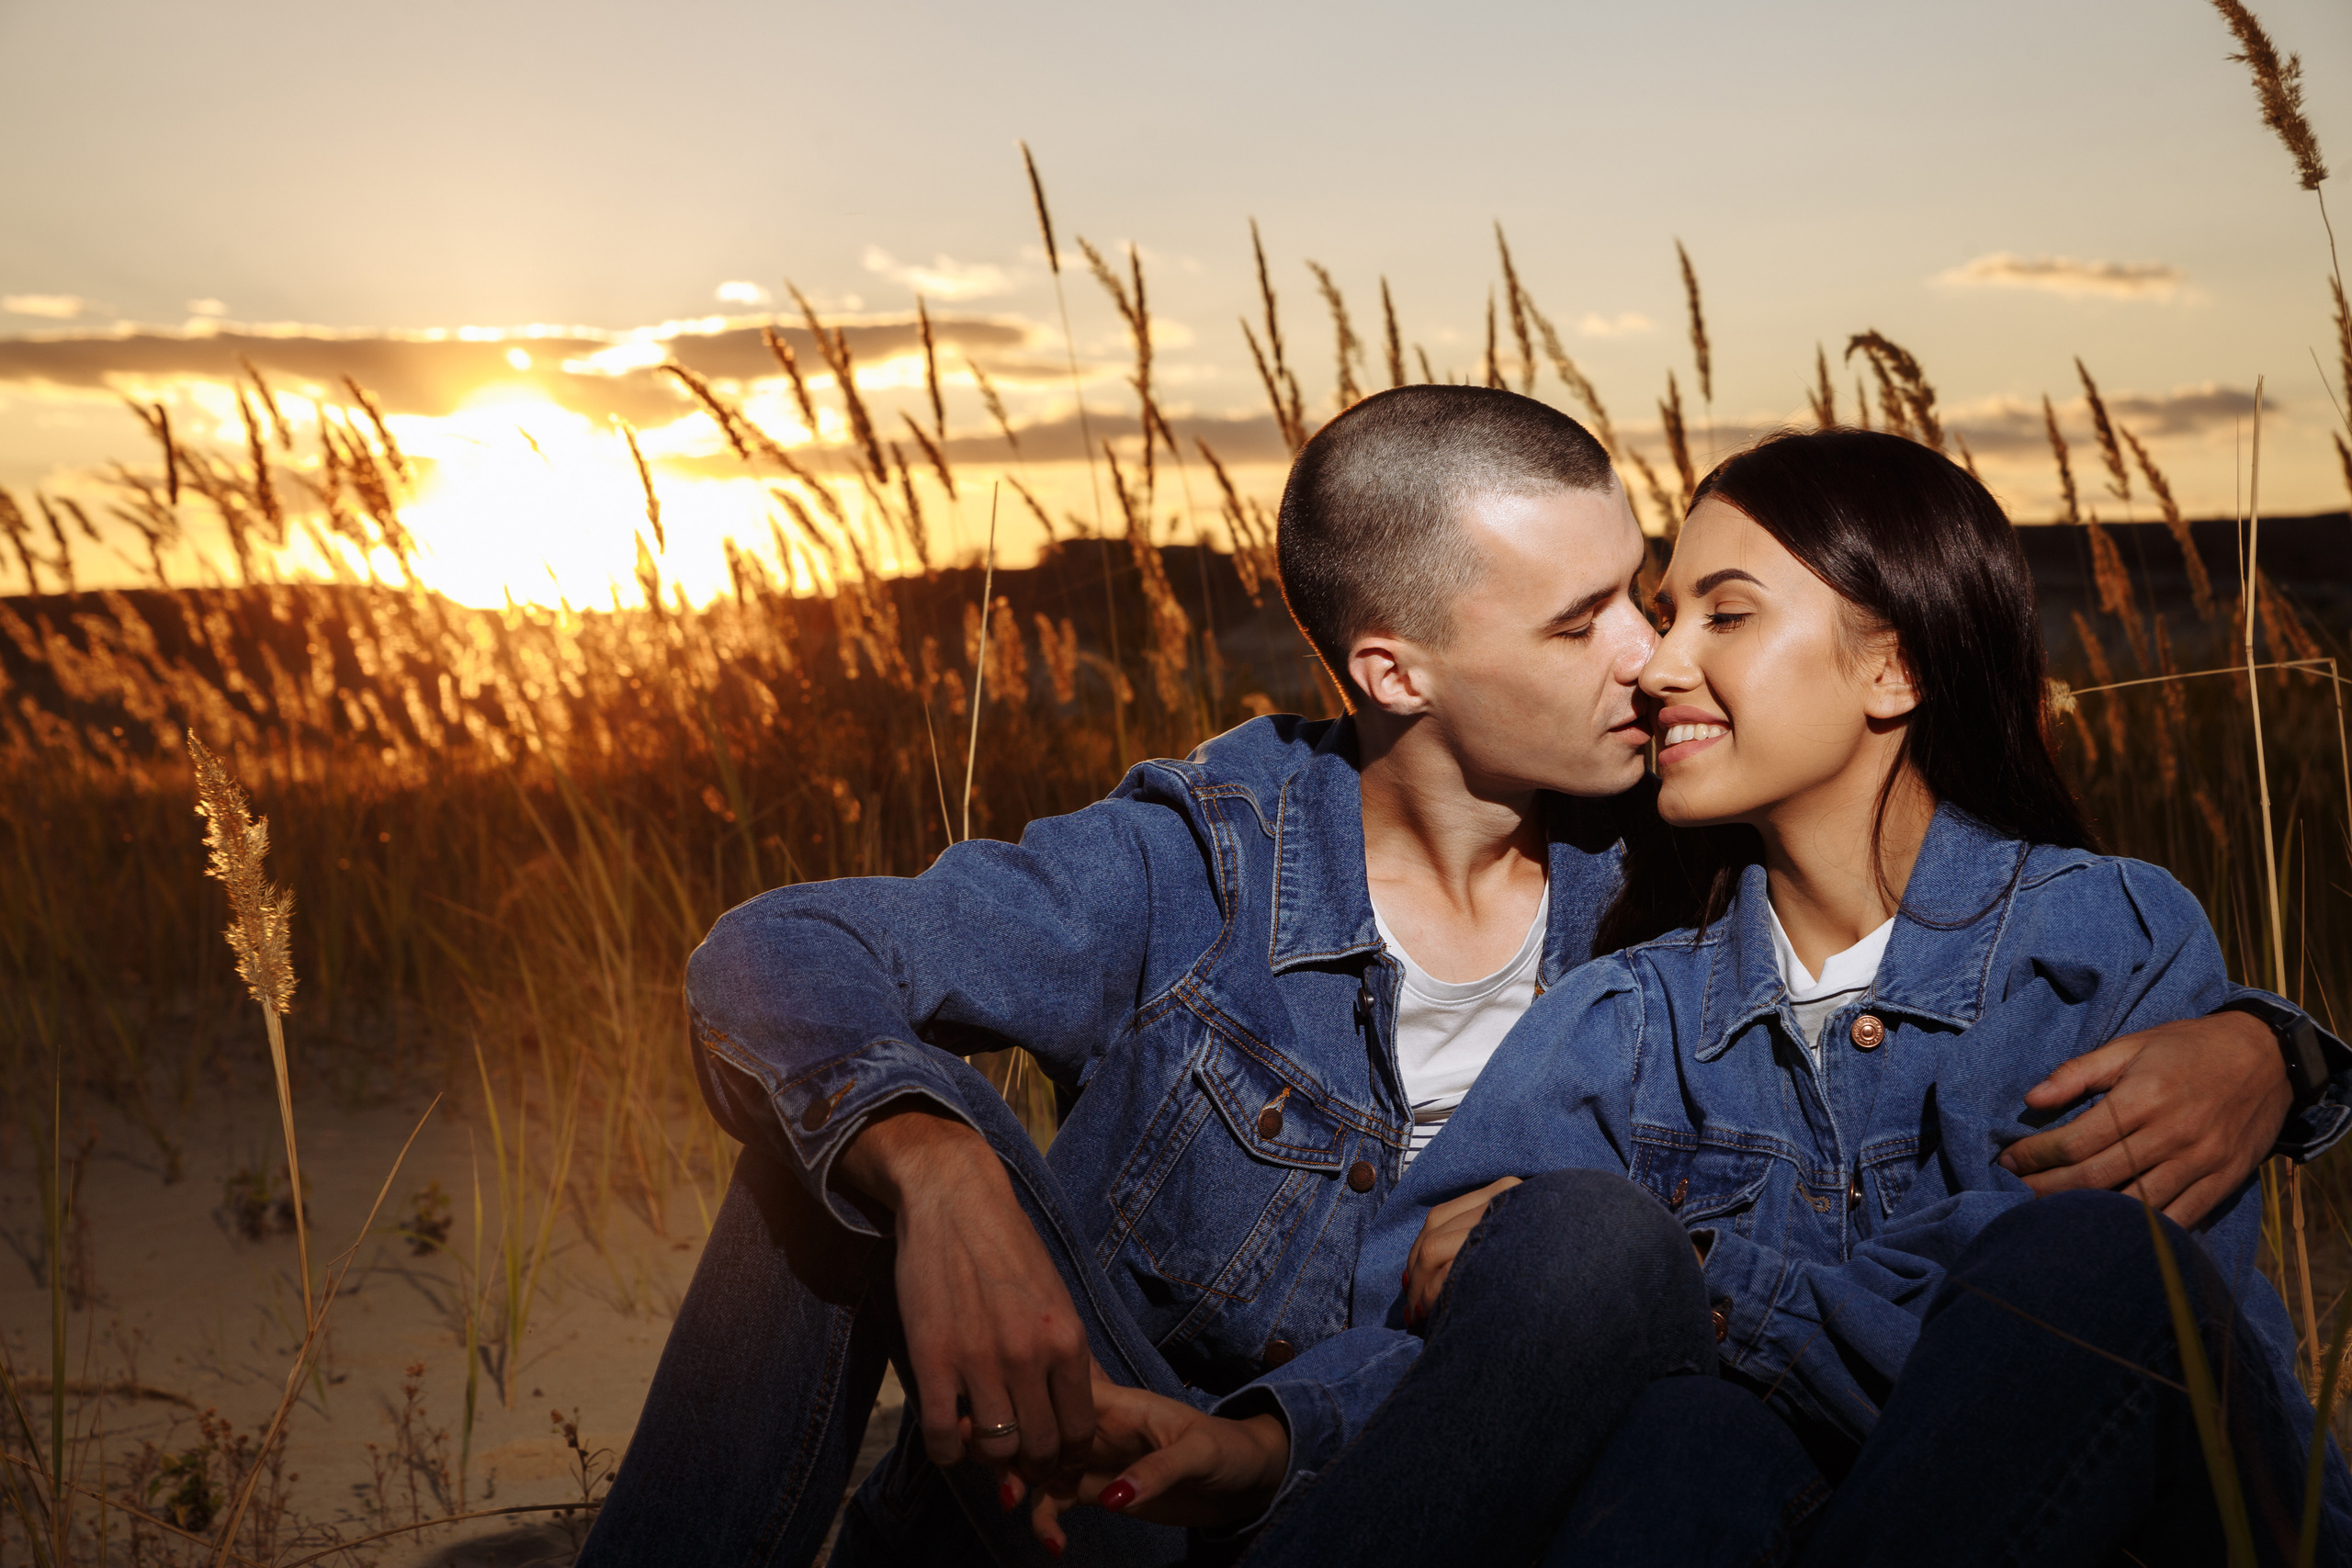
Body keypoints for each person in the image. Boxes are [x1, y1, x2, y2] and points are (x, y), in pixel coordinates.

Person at [575, 393, 2343, 1568]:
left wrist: (2278, 1051)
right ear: (1392, 665)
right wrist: (934, 1158)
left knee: (1611, 1278)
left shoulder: (1647, 885)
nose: (1650, 659)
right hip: (1151, 1475)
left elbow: (2068, 1228)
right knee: (841, 1134)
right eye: (1596, 620)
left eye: (1668, 602)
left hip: (1454, 1489)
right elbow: (783, 952)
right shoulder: (1209, 863)